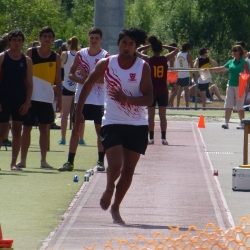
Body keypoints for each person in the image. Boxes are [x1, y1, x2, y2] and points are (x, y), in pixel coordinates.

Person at [74, 28, 152, 224]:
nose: (127, 47)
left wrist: (127, 99)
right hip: (112, 121)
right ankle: (109, 188)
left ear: (136, 47)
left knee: (128, 171)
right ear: (119, 44)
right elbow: (88, 84)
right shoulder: (107, 63)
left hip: (137, 124)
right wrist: (78, 110)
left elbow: (150, 98)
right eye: (124, 43)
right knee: (115, 164)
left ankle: (116, 207)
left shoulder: (143, 66)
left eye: (131, 44)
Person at [58, 27, 109, 172]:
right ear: (88, 38)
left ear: (101, 40)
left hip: (98, 100)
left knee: (100, 132)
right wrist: (83, 79)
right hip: (81, 99)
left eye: (96, 38)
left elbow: (105, 79)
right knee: (76, 130)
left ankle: (100, 162)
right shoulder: (81, 54)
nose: (93, 41)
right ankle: (70, 162)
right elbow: (71, 75)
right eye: (91, 38)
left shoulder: (105, 56)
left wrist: (88, 78)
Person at [17, 27, 61, 169]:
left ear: (53, 39)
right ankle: (22, 160)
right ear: (40, 38)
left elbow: (58, 81)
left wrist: (59, 99)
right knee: (27, 128)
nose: (47, 39)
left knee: (44, 130)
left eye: (50, 36)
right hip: (30, 98)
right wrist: (24, 97)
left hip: (47, 99)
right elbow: (24, 75)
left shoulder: (56, 57)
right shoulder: (31, 52)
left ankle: (43, 160)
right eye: (44, 36)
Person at [0, 30, 33, 170]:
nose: (17, 43)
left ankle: (13, 162)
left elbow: (29, 83)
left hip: (19, 99)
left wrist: (27, 102)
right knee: (1, 131)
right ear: (9, 41)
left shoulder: (27, 60)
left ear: (22, 42)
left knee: (17, 130)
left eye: (20, 40)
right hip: (3, 98)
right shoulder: (2, 57)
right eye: (14, 40)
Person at [136, 36, 178, 145]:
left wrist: (148, 46)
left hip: (152, 91)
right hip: (163, 91)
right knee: (162, 116)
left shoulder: (149, 59)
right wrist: (163, 45)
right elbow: (176, 50)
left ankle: (151, 138)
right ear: (160, 49)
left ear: (152, 49)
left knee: (151, 116)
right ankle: (163, 138)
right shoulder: (165, 58)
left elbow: (137, 51)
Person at [209, 45, 249, 129]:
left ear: (240, 52)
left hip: (240, 86)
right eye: (233, 50)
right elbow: (221, 68)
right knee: (228, 104)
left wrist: (247, 86)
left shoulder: (244, 62)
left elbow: (248, 74)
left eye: (236, 50)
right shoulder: (230, 62)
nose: (233, 52)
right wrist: (210, 69)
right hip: (230, 85)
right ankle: (226, 123)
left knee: (239, 106)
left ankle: (242, 123)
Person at [59, 36, 85, 145]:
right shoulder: (82, 55)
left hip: (67, 85)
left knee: (65, 114)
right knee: (80, 114)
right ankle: (81, 138)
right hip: (79, 85)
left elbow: (60, 67)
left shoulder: (65, 54)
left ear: (68, 44)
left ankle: (63, 138)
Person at [175, 43, 193, 107]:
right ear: (188, 48)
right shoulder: (188, 55)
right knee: (186, 91)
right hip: (185, 74)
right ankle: (187, 106)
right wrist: (192, 74)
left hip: (178, 74)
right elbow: (191, 65)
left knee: (179, 91)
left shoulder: (178, 54)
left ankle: (177, 105)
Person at [167, 42, 178, 107]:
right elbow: (171, 65)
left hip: (172, 73)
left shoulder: (170, 55)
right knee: (175, 90)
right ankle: (169, 104)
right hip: (172, 74)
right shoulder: (172, 56)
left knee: (174, 90)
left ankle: (171, 104)